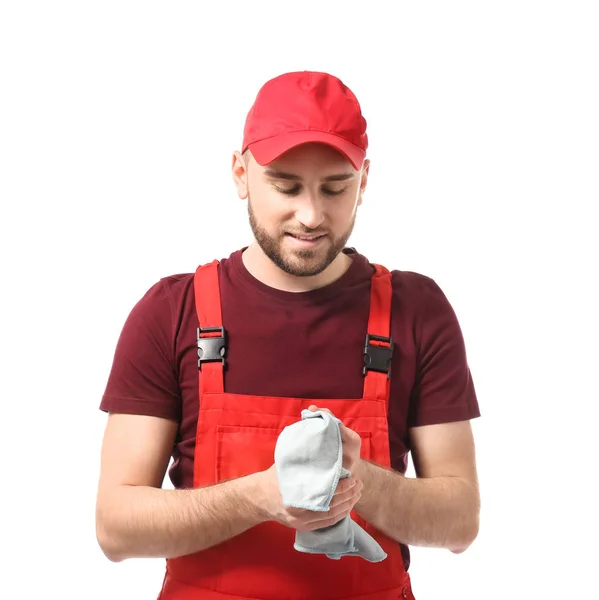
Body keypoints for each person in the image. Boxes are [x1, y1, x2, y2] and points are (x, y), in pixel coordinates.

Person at [95, 70, 481, 600]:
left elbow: (459, 521)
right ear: (239, 174)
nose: (311, 214)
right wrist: (260, 497)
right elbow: (116, 526)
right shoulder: (173, 311)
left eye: (335, 187)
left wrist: (352, 479)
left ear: (363, 181)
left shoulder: (416, 311)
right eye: (286, 185)